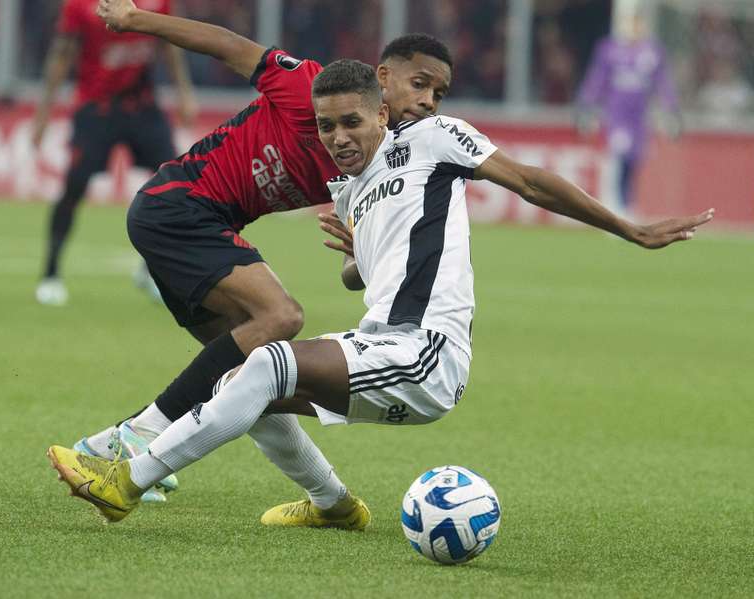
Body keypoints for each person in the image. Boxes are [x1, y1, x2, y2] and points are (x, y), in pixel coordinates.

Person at [47, 58, 714, 525]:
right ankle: (335, 505)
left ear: (382, 109)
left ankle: (127, 478)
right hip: (379, 341)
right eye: (327, 128)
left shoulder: (432, 138)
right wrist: (357, 259)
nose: (338, 139)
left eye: (352, 124)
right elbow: (370, 272)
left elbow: (532, 181)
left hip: (426, 351)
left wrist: (628, 228)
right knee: (245, 388)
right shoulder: (354, 184)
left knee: (266, 359)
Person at [70, 0, 454, 522]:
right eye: (419, 85)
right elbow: (229, 45)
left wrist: (363, 253)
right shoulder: (309, 86)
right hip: (179, 203)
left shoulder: (371, 161)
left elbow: (355, 271)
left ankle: (331, 502)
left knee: (252, 373)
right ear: (384, 79)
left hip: (205, 222)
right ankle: (132, 437)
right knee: (282, 318)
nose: (428, 102)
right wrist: (138, 20)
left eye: (438, 94)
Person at [31, 0, 197, 306]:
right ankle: (50, 274)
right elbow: (61, 54)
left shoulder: (158, 2)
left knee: (177, 188)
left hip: (142, 106)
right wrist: (43, 115)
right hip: (97, 108)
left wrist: (184, 93)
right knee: (74, 187)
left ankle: (150, 272)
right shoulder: (80, 5)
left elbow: (170, 46)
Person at [575, 0, 681, 215]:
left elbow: (663, 84)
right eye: (631, 23)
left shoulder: (653, 52)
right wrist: (586, 107)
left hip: (640, 118)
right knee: (619, 158)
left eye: (638, 23)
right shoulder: (609, 50)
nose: (634, 28)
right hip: (617, 115)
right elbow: (596, 80)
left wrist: (671, 110)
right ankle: (618, 207)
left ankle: (625, 205)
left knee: (634, 161)